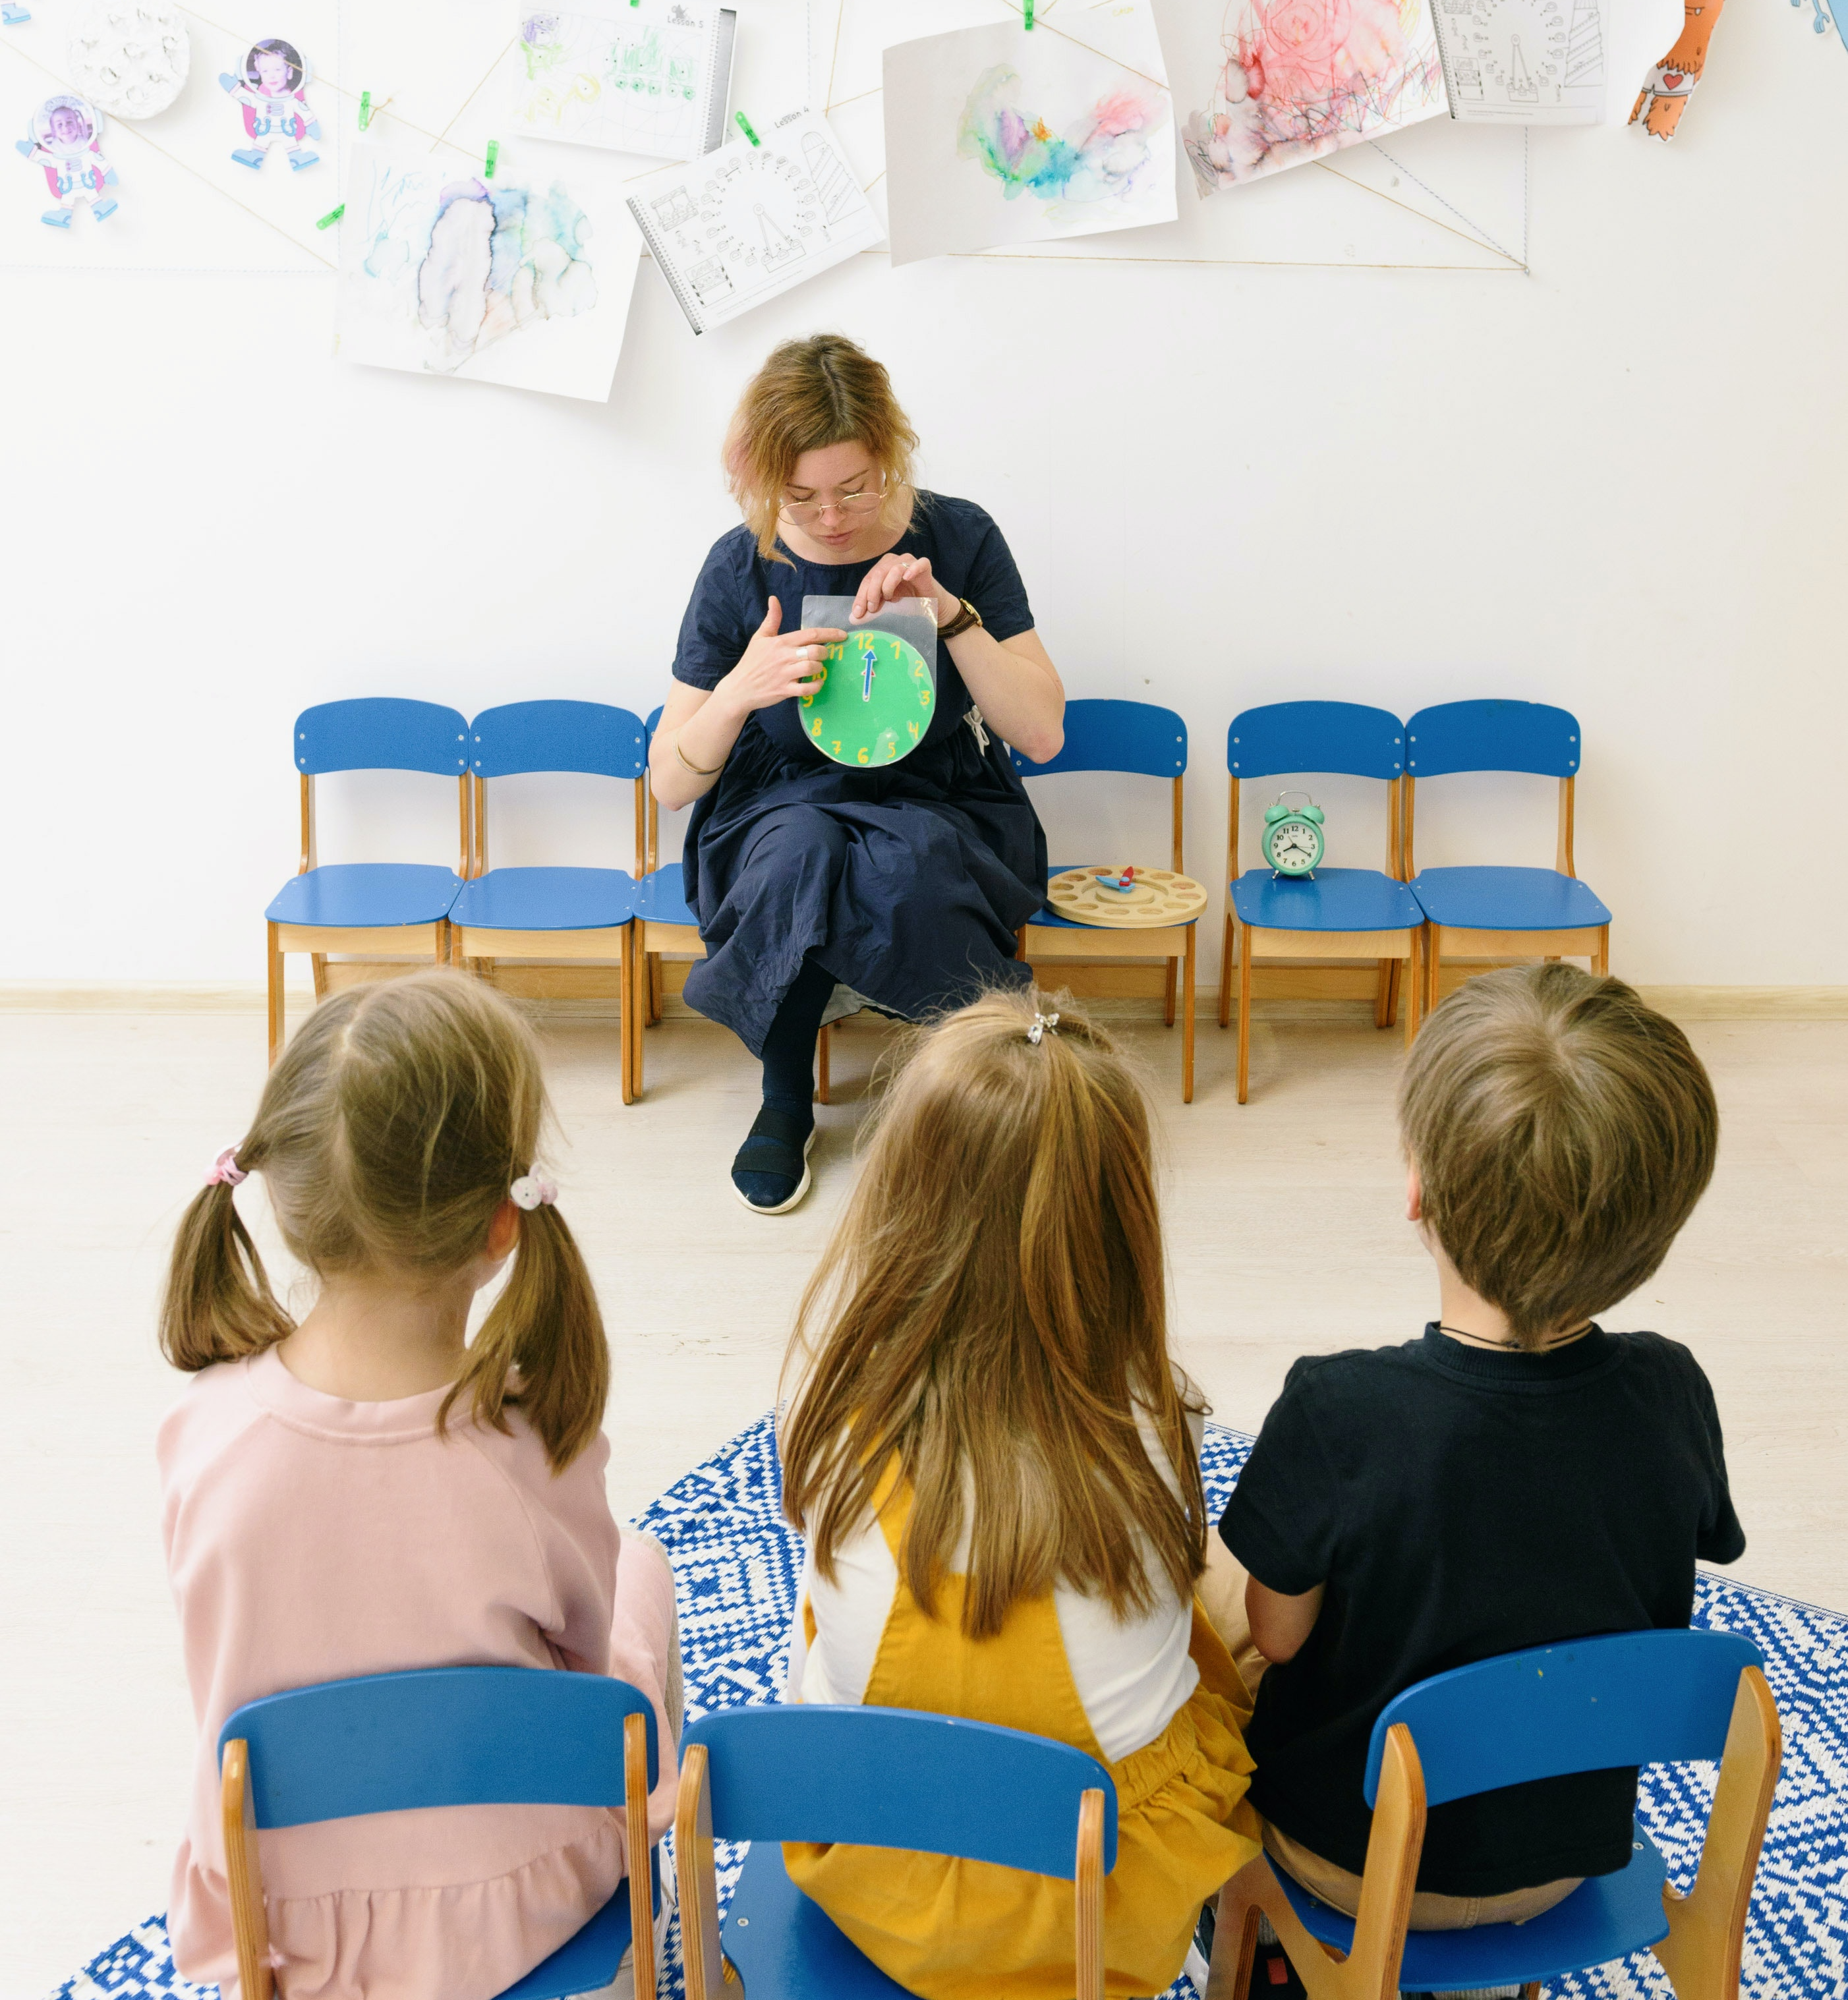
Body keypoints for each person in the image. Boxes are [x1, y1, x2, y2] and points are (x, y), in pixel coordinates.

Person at [157, 971, 679, 2000]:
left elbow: (223, 1679)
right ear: (502, 1224)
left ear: (281, 1196)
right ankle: (638, 1959)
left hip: (291, 1918)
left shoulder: (203, 1433)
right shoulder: (531, 1446)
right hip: (520, 1895)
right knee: (648, 1573)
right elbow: (587, 1651)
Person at [1211, 963, 1743, 1957]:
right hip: (1565, 1860)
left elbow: (1277, 1638)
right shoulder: (1673, 1390)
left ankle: (1259, 1947)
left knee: (1210, 1582)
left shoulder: (1337, 1409)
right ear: (1652, 1235)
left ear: (1417, 1189)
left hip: (1349, 1857)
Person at [776, 989, 1263, 1999]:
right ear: (1120, 1223)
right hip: (1098, 1908)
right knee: (1237, 1610)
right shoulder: (1153, 1419)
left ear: (904, 1197)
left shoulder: (824, 1413)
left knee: (819, 1606)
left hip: (883, 1875)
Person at [650, 333, 1065, 1216]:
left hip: (934, 794)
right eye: (798, 497)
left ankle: (951, 1098)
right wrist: (737, 692)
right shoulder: (739, 561)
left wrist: (952, 617)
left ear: (891, 454)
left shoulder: (958, 535)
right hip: (776, 801)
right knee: (799, 849)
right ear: (763, 480)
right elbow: (669, 782)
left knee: (908, 860)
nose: (831, 517)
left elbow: (1042, 731)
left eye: (854, 488)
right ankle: (785, 1094)